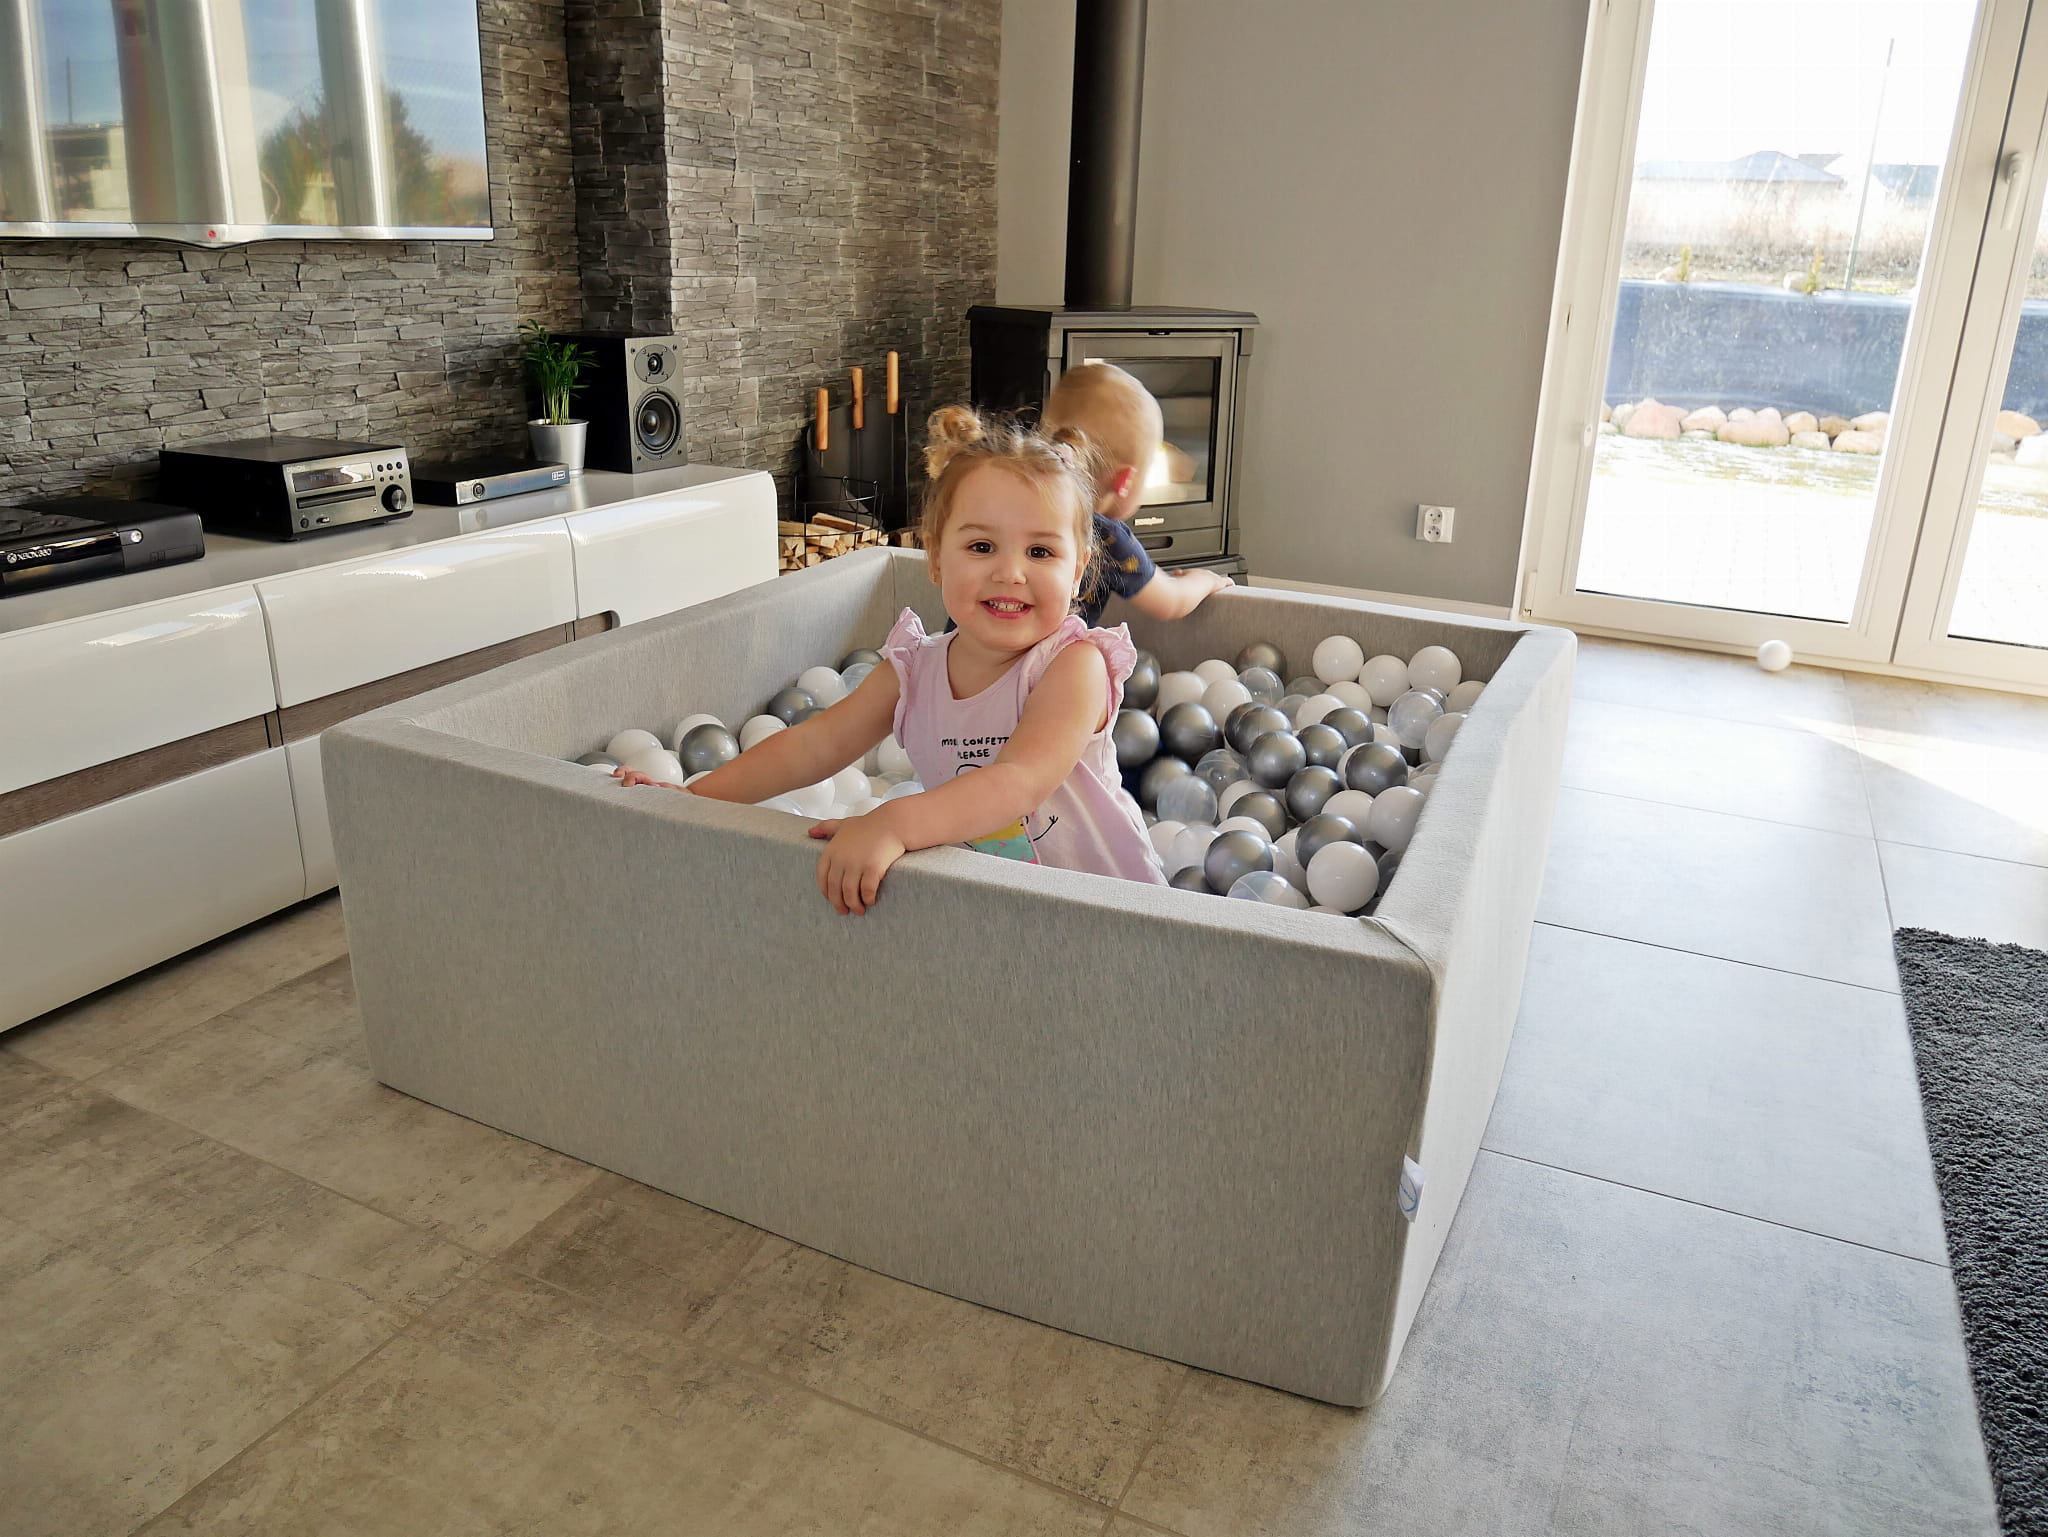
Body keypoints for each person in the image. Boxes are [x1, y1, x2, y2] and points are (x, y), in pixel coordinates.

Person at [616, 406, 1166, 914]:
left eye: (1040, 551)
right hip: (1001, 911)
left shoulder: (1072, 667)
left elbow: (1018, 782)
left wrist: (892, 822)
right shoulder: (914, 670)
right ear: (935, 557)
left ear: (1077, 572)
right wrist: (695, 798)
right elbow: (815, 745)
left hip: (1116, 916)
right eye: (981, 547)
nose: (1010, 572)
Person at [1039, 361, 1234, 626]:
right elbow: (1172, 602)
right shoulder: (1105, 536)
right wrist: (1207, 580)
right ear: (1125, 481)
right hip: (1053, 652)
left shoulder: (1015, 503)